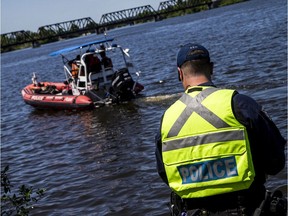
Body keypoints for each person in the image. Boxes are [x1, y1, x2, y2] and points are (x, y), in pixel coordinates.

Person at [155, 43, 286, 216]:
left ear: (180, 73)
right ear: (212, 68)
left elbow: (165, 174)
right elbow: (276, 162)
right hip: (247, 208)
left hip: (193, 211)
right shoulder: (239, 104)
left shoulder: (167, 119)